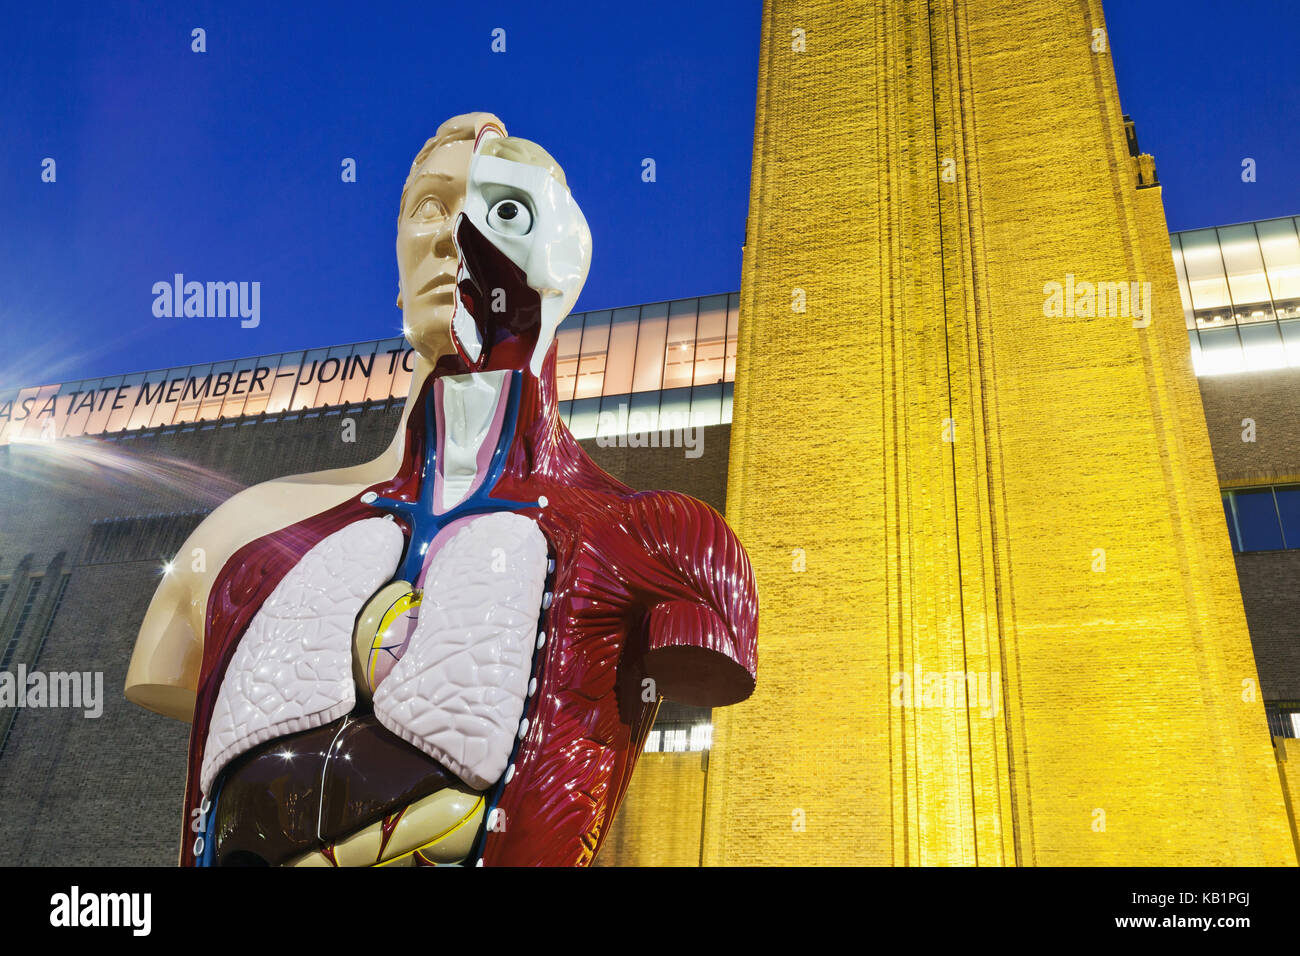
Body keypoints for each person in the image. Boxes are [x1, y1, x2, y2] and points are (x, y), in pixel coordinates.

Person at [126, 113, 757, 867]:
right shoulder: (239, 540)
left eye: (499, 209)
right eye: (429, 205)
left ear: (565, 258)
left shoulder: (651, 541)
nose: (452, 236)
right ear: (394, 264)